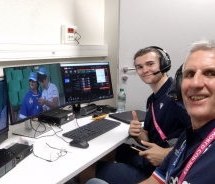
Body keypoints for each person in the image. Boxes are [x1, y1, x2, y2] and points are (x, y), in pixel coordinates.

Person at [81, 46, 191, 184]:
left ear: (164, 64)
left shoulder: (177, 96)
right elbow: (149, 139)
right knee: (109, 152)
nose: (145, 70)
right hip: (151, 159)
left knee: (86, 169)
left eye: (150, 64)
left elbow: (202, 141)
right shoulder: (154, 99)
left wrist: (167, 154)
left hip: (164, 170)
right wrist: (138, 132)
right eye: (139, 67)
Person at [140, 39, 215, 184]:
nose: (195, 83)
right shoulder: (186, 138)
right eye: (190, 74)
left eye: (211, 73)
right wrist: (139, 134)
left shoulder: (173, 102)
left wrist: (163, 153)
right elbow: (156, 180)